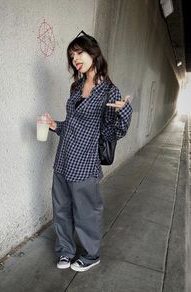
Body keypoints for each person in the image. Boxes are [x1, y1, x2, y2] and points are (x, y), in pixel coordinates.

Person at [45, 31, 132, 272]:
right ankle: (65, 251)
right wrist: (55, 126)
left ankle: (91, 255)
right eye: (72, 56)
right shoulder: (77, 85)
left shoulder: (109, 92)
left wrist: (124, 111)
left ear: (94, 53)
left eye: (79, 53)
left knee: (86, 213)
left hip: (85, 163)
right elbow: (73, 125)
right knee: (61, 209)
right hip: (63, 160)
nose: (75, 59)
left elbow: (115, 133)